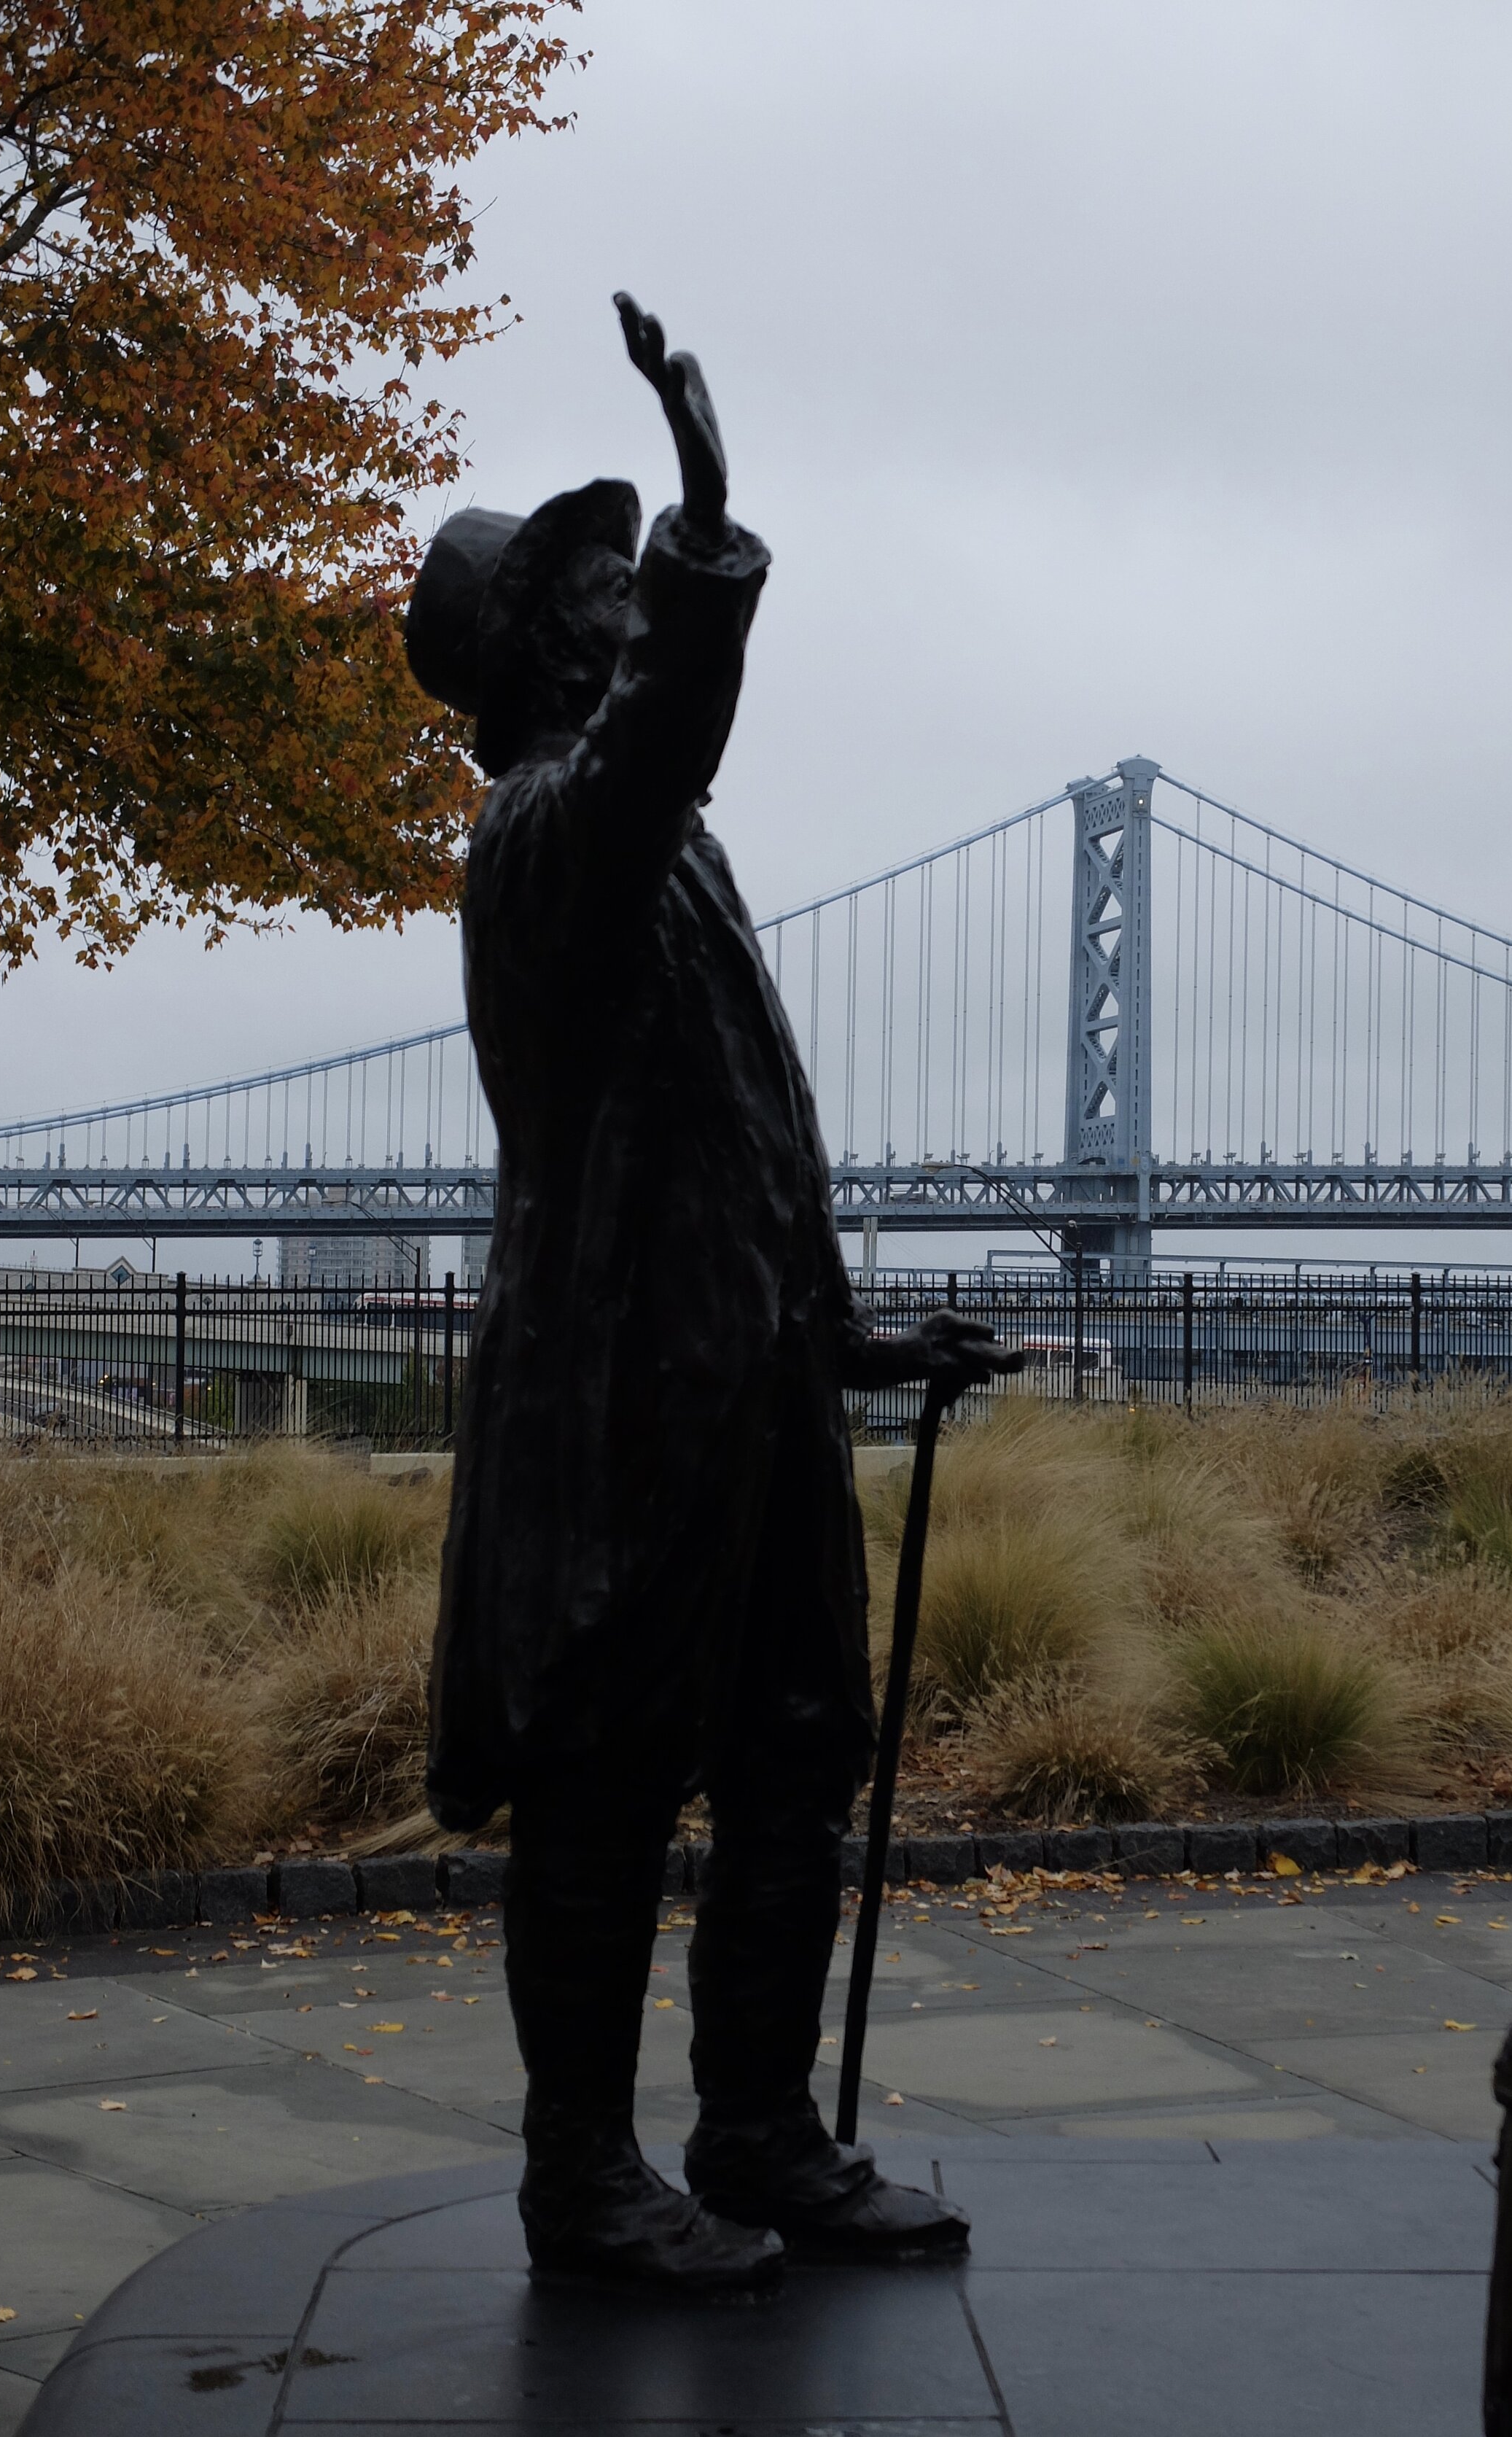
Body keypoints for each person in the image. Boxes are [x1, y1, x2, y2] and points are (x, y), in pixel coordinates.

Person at [405, 294, 1017, 2293]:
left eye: (623, 573)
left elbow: (753, 1141)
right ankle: (579, 2177)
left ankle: (756, 2130)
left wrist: (842, 1332)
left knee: (790, 1761)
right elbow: (663, 736)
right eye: (590, 584)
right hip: (617, 1416)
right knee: (598, 1797)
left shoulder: (675, 862)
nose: (615, 601)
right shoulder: (551, 839)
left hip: (743, 1392)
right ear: (537, 650)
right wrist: (705, 507)